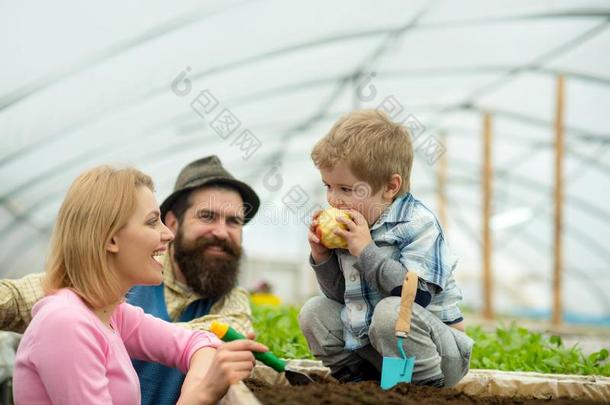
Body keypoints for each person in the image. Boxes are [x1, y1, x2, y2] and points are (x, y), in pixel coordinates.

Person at [0, 155, 261, 404]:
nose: (222, 231)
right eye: (207, 216)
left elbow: (197, 342)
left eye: (234, 222)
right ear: (111, 238)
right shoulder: (73, 319)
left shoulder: (113, 313)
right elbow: (24, 297)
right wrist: (199, 396)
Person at [299, 110, 473, 388]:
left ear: (390, 187)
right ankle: (358, 383)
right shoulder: (356, 225)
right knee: (314, 311)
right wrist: (322, 259)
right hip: (376, 347)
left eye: (346, 188)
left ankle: (423, 391)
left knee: (391, 311)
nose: (333, 200)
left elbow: (417, 297)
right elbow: (338, 296)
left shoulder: (417, 223)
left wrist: (366, 251)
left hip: (437, 354)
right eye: (328, 186)